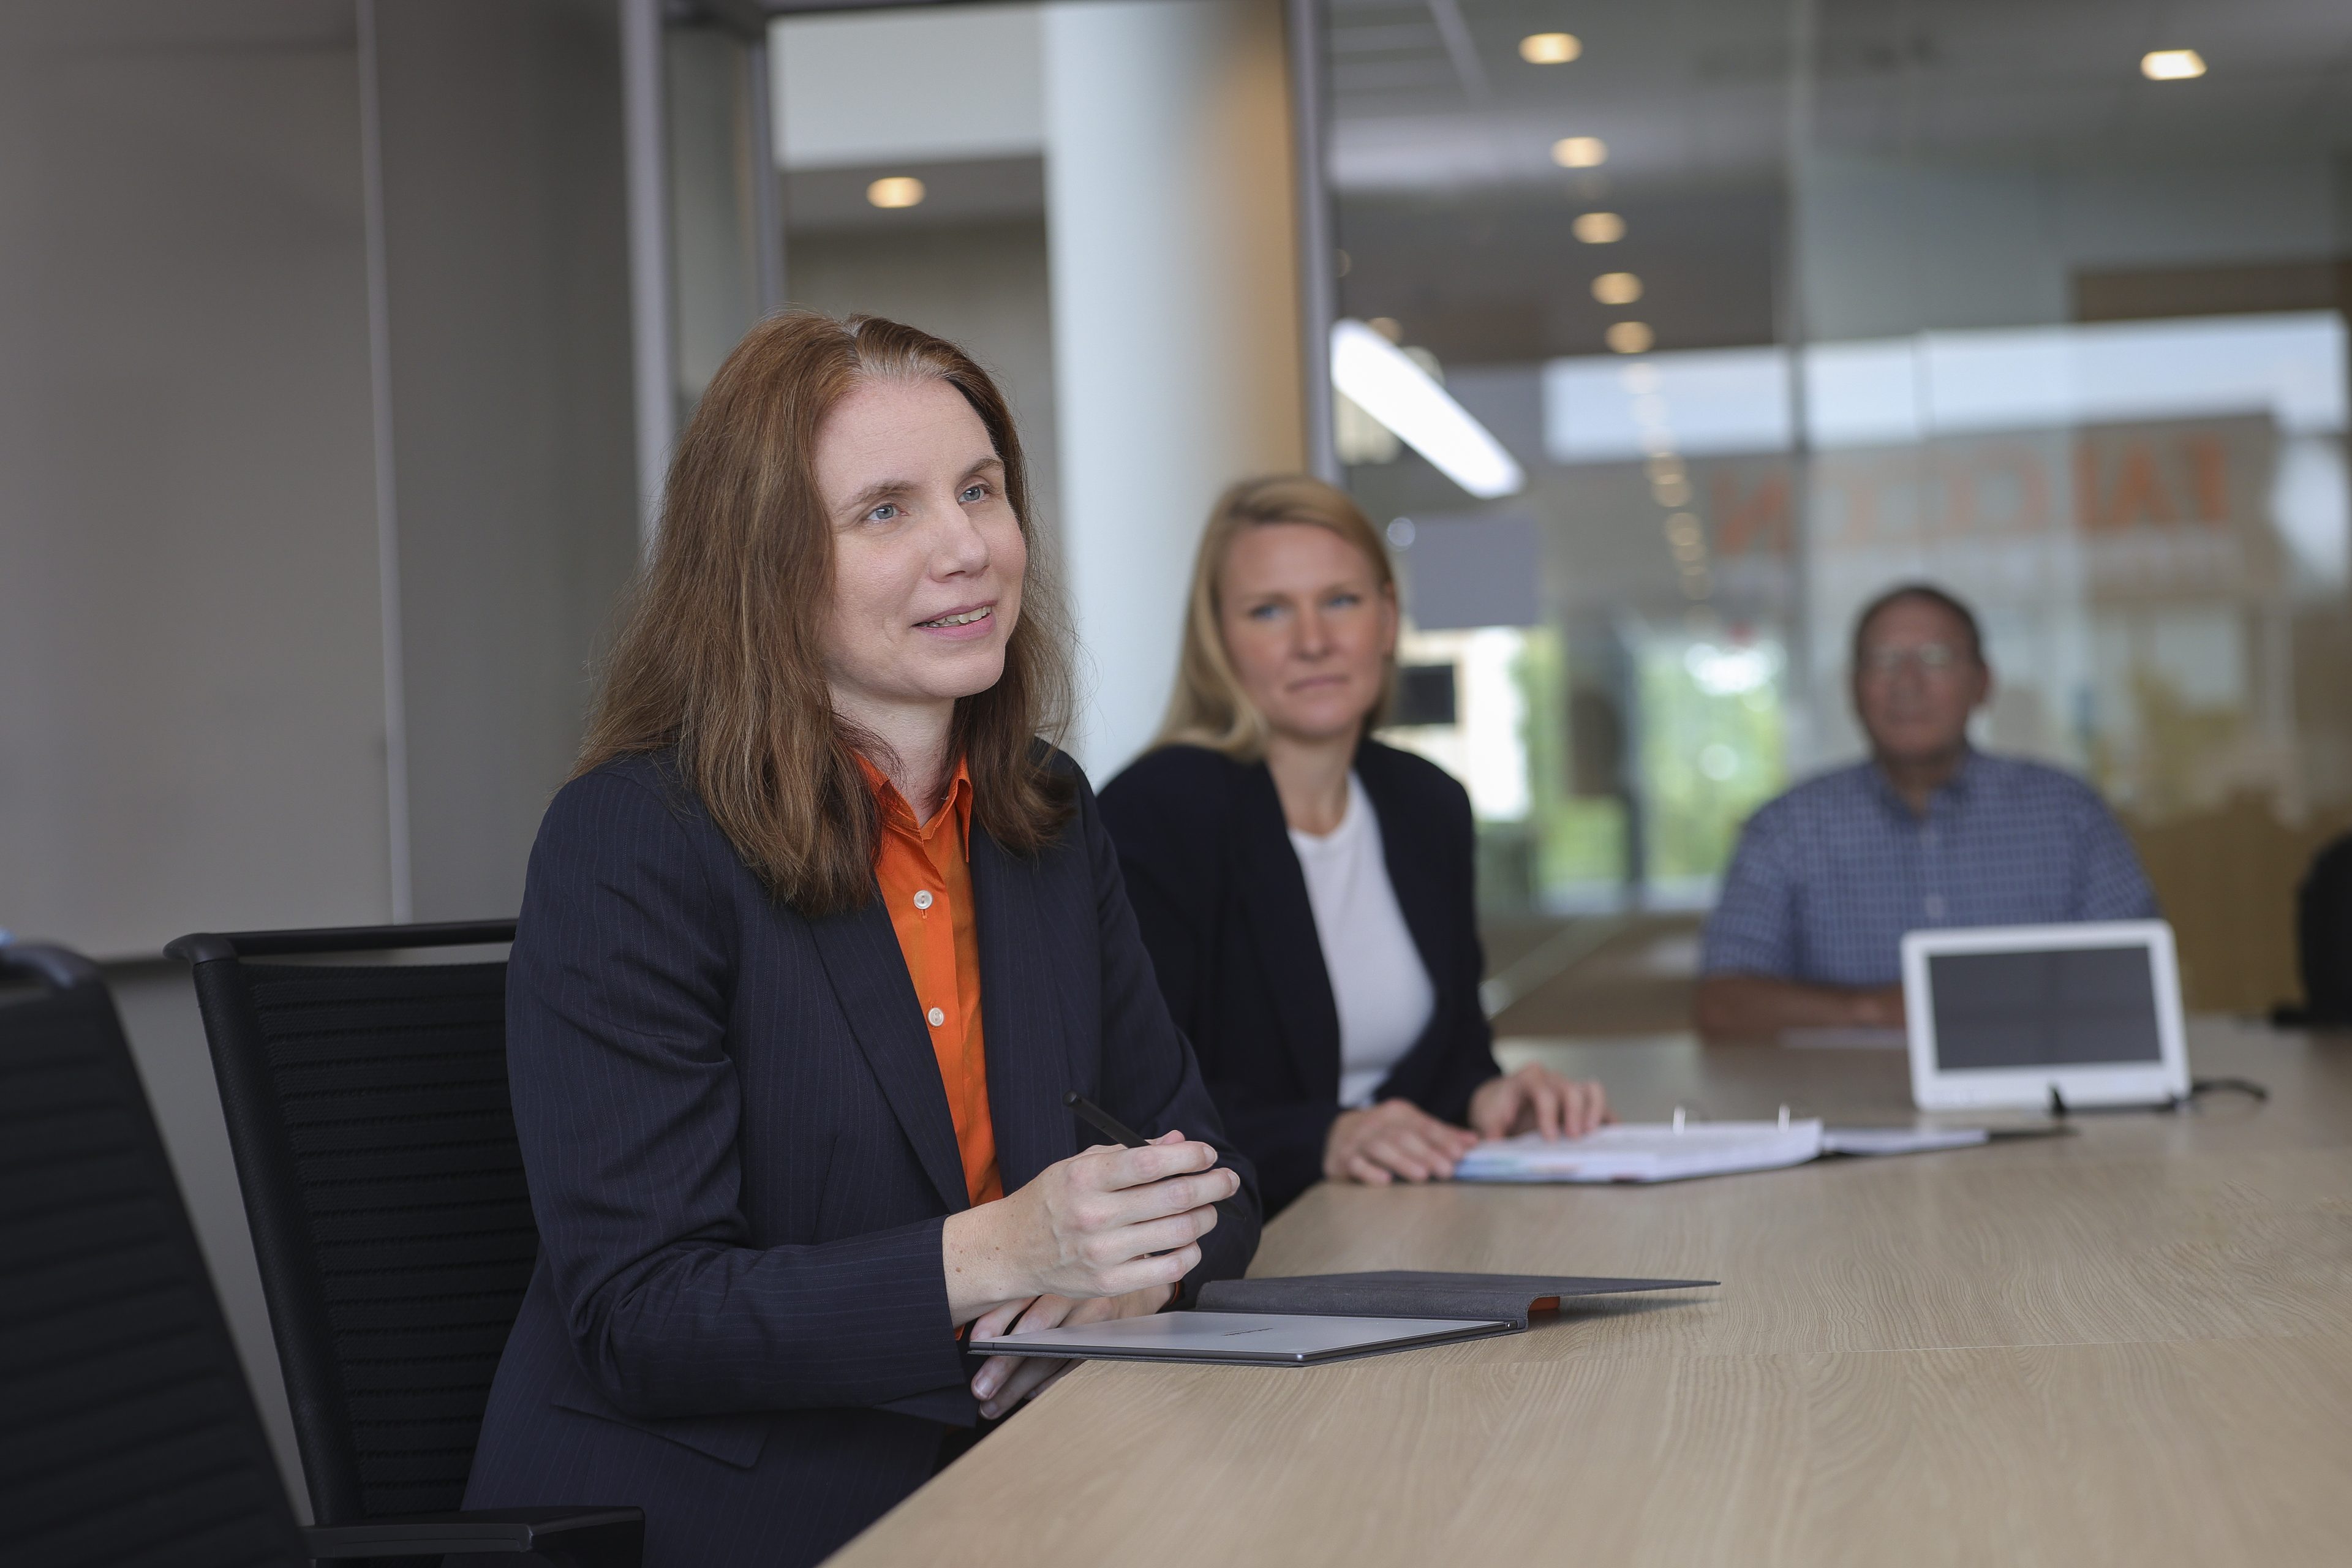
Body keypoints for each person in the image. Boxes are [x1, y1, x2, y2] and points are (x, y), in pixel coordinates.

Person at [462, 312, 1260, 1567]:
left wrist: (1122, 1282)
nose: (968, 549)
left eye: (981, 490)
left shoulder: (1041, 815)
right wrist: (1005, 1248)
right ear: (763, 568)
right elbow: (642, 1314)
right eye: (885, 510)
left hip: (1029, 1474)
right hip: (729, 1509)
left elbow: (1210, 1171)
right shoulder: (634, 841)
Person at [1099, 477, 1609, 1218]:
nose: (1314, 641)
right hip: (1245, 1236)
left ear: (1389, 619)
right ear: (1219, 642)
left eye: (1341, 600)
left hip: (1410, 1216)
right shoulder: (1158, 812)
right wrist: (1324, 1136)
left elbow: (1452, 1053)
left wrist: (1494, 1095)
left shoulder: (1427, 805)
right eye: (1269, 610)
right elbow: (1135, 1098)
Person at [1694, 582, 2157, 1039]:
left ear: (1982, 684)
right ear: (1854, 689)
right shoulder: (1787, 828)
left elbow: (2141, 978)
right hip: (1843, 1099)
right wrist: (1872, 1010)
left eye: (1936, 658)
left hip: (2044, 1092)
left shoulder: (2070, 815)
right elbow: (1722, 1003)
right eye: (1884, 660)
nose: (1908, 683)